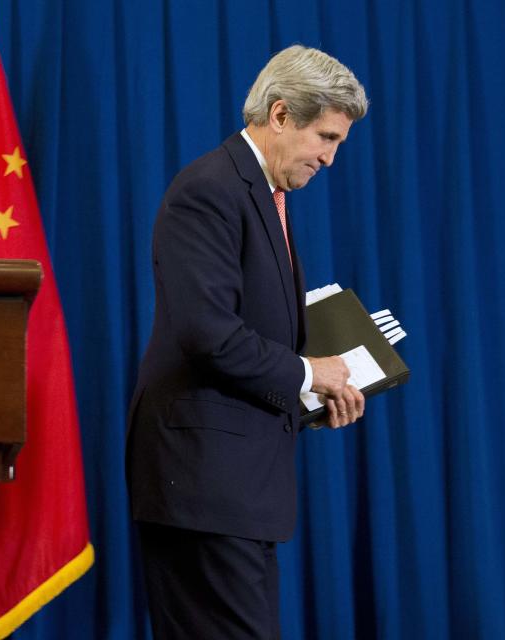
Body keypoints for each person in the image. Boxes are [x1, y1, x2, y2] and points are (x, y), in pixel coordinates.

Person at [126, 45, 369, 639]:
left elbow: (250, 335)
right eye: (326, 138)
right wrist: (313, 374)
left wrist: (314, 393)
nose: (331, 159)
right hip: (203, 484)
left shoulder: (262, 195)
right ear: (281, 115)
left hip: (239, 487)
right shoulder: (209, 189)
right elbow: (207, 333)